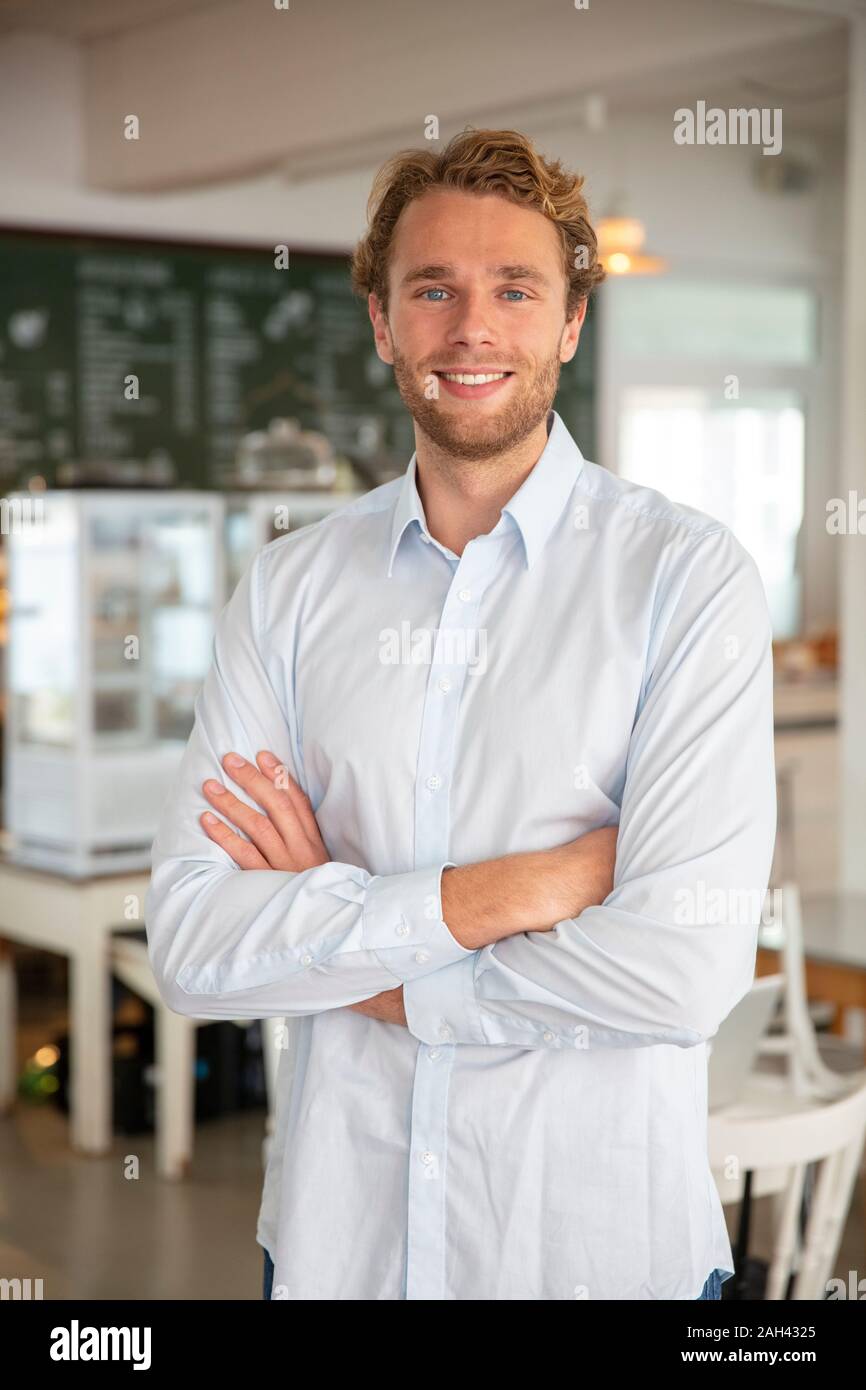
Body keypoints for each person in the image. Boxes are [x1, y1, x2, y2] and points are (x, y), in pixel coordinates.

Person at [145, 128, 775, 1301]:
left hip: (592, 1255)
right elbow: (189, 944)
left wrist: (356, 959)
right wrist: (516, 891)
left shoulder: (684, 580)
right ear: (383, 323)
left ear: (571, 321)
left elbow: (677, 971)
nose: (470, 328)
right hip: (340, 1248)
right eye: (431, 289)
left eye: (514, 289)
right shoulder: (288, 591)